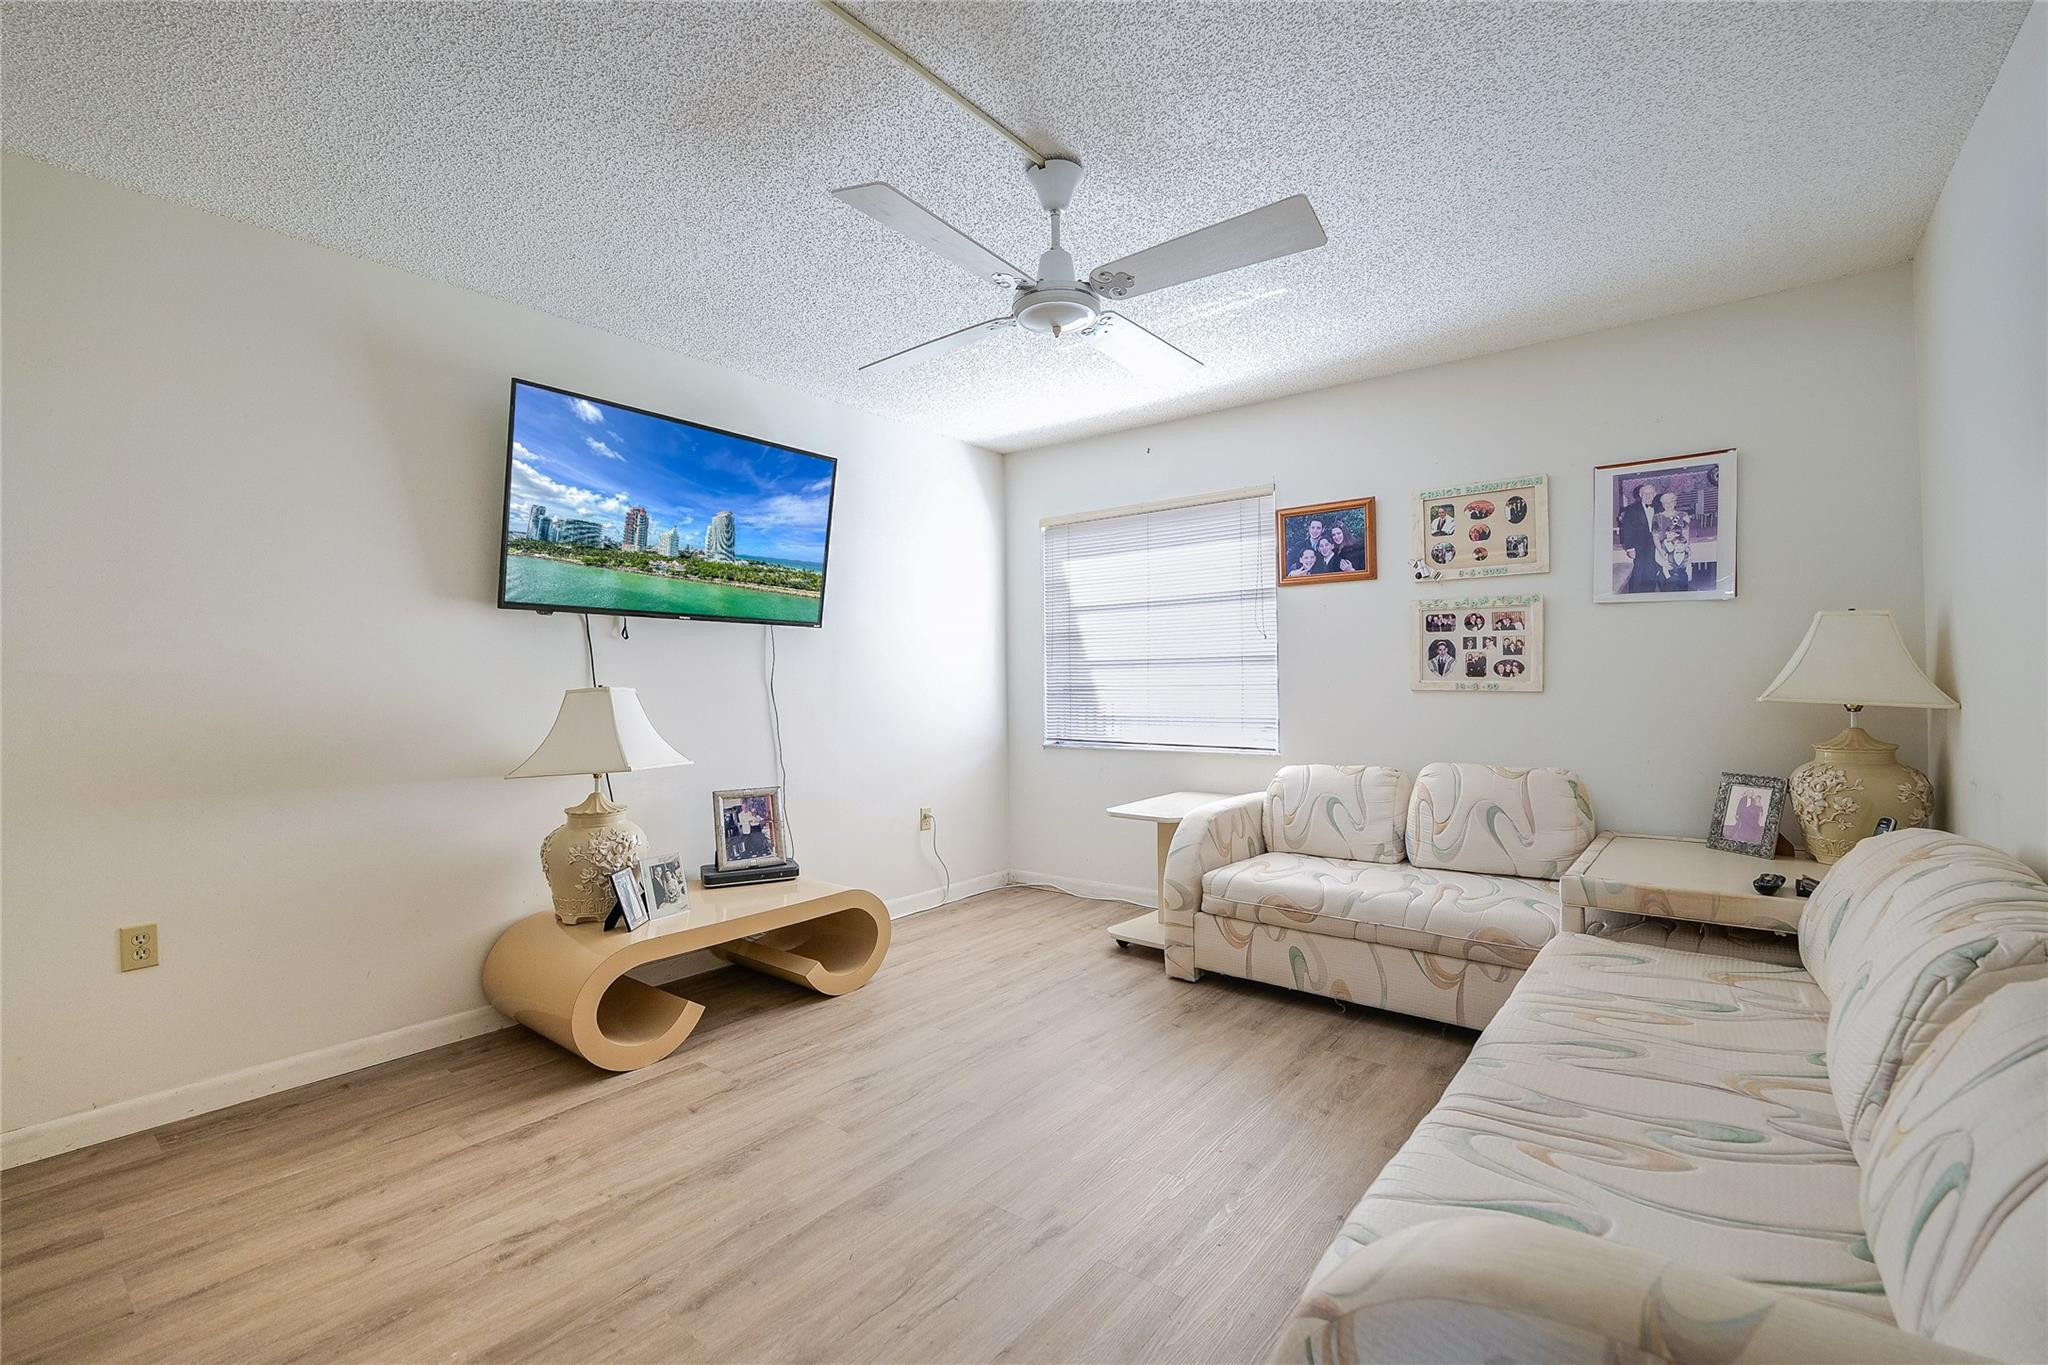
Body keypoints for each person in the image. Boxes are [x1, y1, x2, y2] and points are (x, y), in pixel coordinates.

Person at [1617, 481, 1661, 592]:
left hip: (1657, 546)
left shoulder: (1660, 508)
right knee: (1638, 574)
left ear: (1655, 494)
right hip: (1639, 547)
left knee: (1652, 572)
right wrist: (1630, 548)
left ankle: (1648, 596)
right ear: (1640, 495)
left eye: (1651, 493)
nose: (1648, 496)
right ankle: (1634, 597)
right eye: (1645, 493)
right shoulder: (1631, 510)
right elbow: (1626, 531)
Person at [1655, 491, 1692, 590]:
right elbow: (1655, 536)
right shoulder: (1657, 517)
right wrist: (1661, 552)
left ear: (1675, 502)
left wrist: (1686, 547)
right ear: (1662, 504)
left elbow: (1686, 533)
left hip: (1680, 547)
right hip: (1663, 549)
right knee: (1666, 581)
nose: (1668, 505)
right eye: (1665, 503)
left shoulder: (1683, 515)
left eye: (1671, 502)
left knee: (1682, 578)